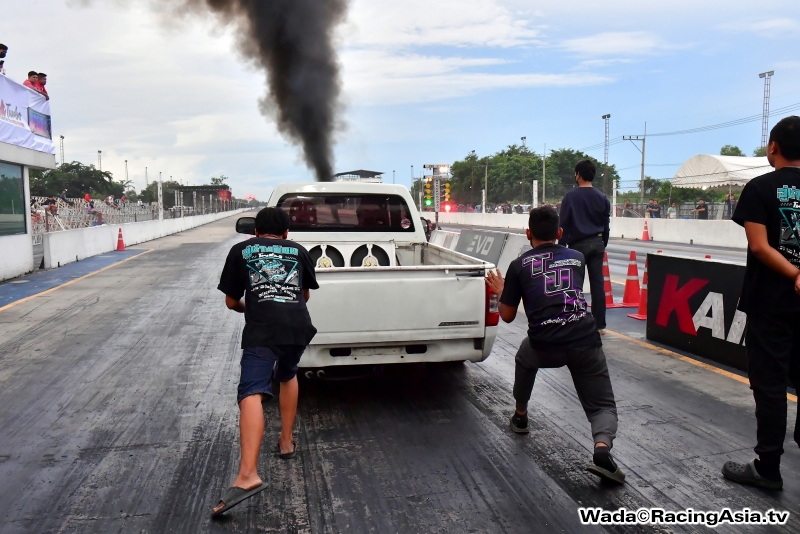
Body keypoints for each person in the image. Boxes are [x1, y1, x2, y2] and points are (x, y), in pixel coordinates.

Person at [485, 206, 624, 484]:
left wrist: (503, 292)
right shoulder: (577, 258)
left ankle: (521, 415)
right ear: (559, 233)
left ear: (528, 233)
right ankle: (601, 448)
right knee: (602, 406)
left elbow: (508, 316)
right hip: (585, 338)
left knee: (524, 358)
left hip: (544, 343)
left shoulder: (518, 265)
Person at [214, 207, 319, 516]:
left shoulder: (241, 250)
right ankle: (286, 442)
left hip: (263, 332)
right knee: (288, 375)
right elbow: (305, 296)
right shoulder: (298, 251)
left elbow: (231, 301)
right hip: (298, 327)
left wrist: (250, 307)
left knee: (251, 392)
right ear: (287, 233)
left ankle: (247, 474)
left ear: (255, 232)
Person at [722, 116, 800, 490]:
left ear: (773, 147)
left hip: (771, 303)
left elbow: (759, 245)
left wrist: (795, 274)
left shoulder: (760, 188)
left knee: (769, 386)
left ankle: (768, 467)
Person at [558, 159, 611, 333]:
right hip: (597, 243)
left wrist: (561, 246)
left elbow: (563, 224)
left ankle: (577, 321)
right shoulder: (602, 197)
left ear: (578, 175)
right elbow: (606, 224)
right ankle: (600, 325)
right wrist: (603, 243)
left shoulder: (570, 197)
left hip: (577, 245)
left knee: (575, 286)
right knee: (598, 285)